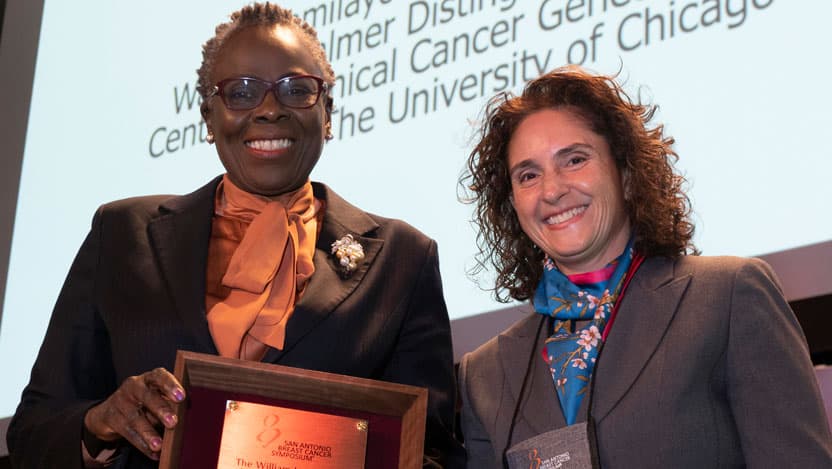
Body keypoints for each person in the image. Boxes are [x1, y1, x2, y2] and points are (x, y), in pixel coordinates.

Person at [7, 3, 462, 468]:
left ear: (327, 113)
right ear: (208, 117)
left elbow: (432, 452)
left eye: (296, 90)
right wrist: (99, 422)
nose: (268, 110)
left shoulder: (403, 258)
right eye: (241, 92)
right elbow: (32, 434)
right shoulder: (123, 234)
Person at [457, 66, 832, 468]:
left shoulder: (728, 297)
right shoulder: (484, 374)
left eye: (575, 159)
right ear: (512, 203)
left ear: (625, 171)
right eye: (529, 175)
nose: (552, 190)